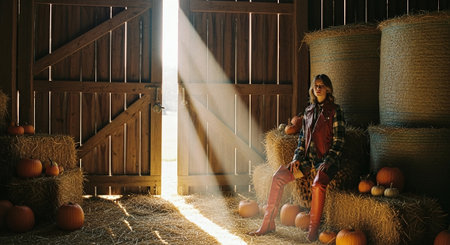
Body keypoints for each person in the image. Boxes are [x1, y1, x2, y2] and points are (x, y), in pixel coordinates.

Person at [248, 74, 345, 241]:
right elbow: (301, 140)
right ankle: (268, 223)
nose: (318, 88)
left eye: (322, 85)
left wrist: (328, 161)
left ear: (328, 89)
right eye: (316, 86)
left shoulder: (335, 111)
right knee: (278, 176)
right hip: (307, 162)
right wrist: (296, 157)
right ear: (313, 90)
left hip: (326, 161)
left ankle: (313, 230)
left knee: (318, 184)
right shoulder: (307, 112)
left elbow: (339, 141)